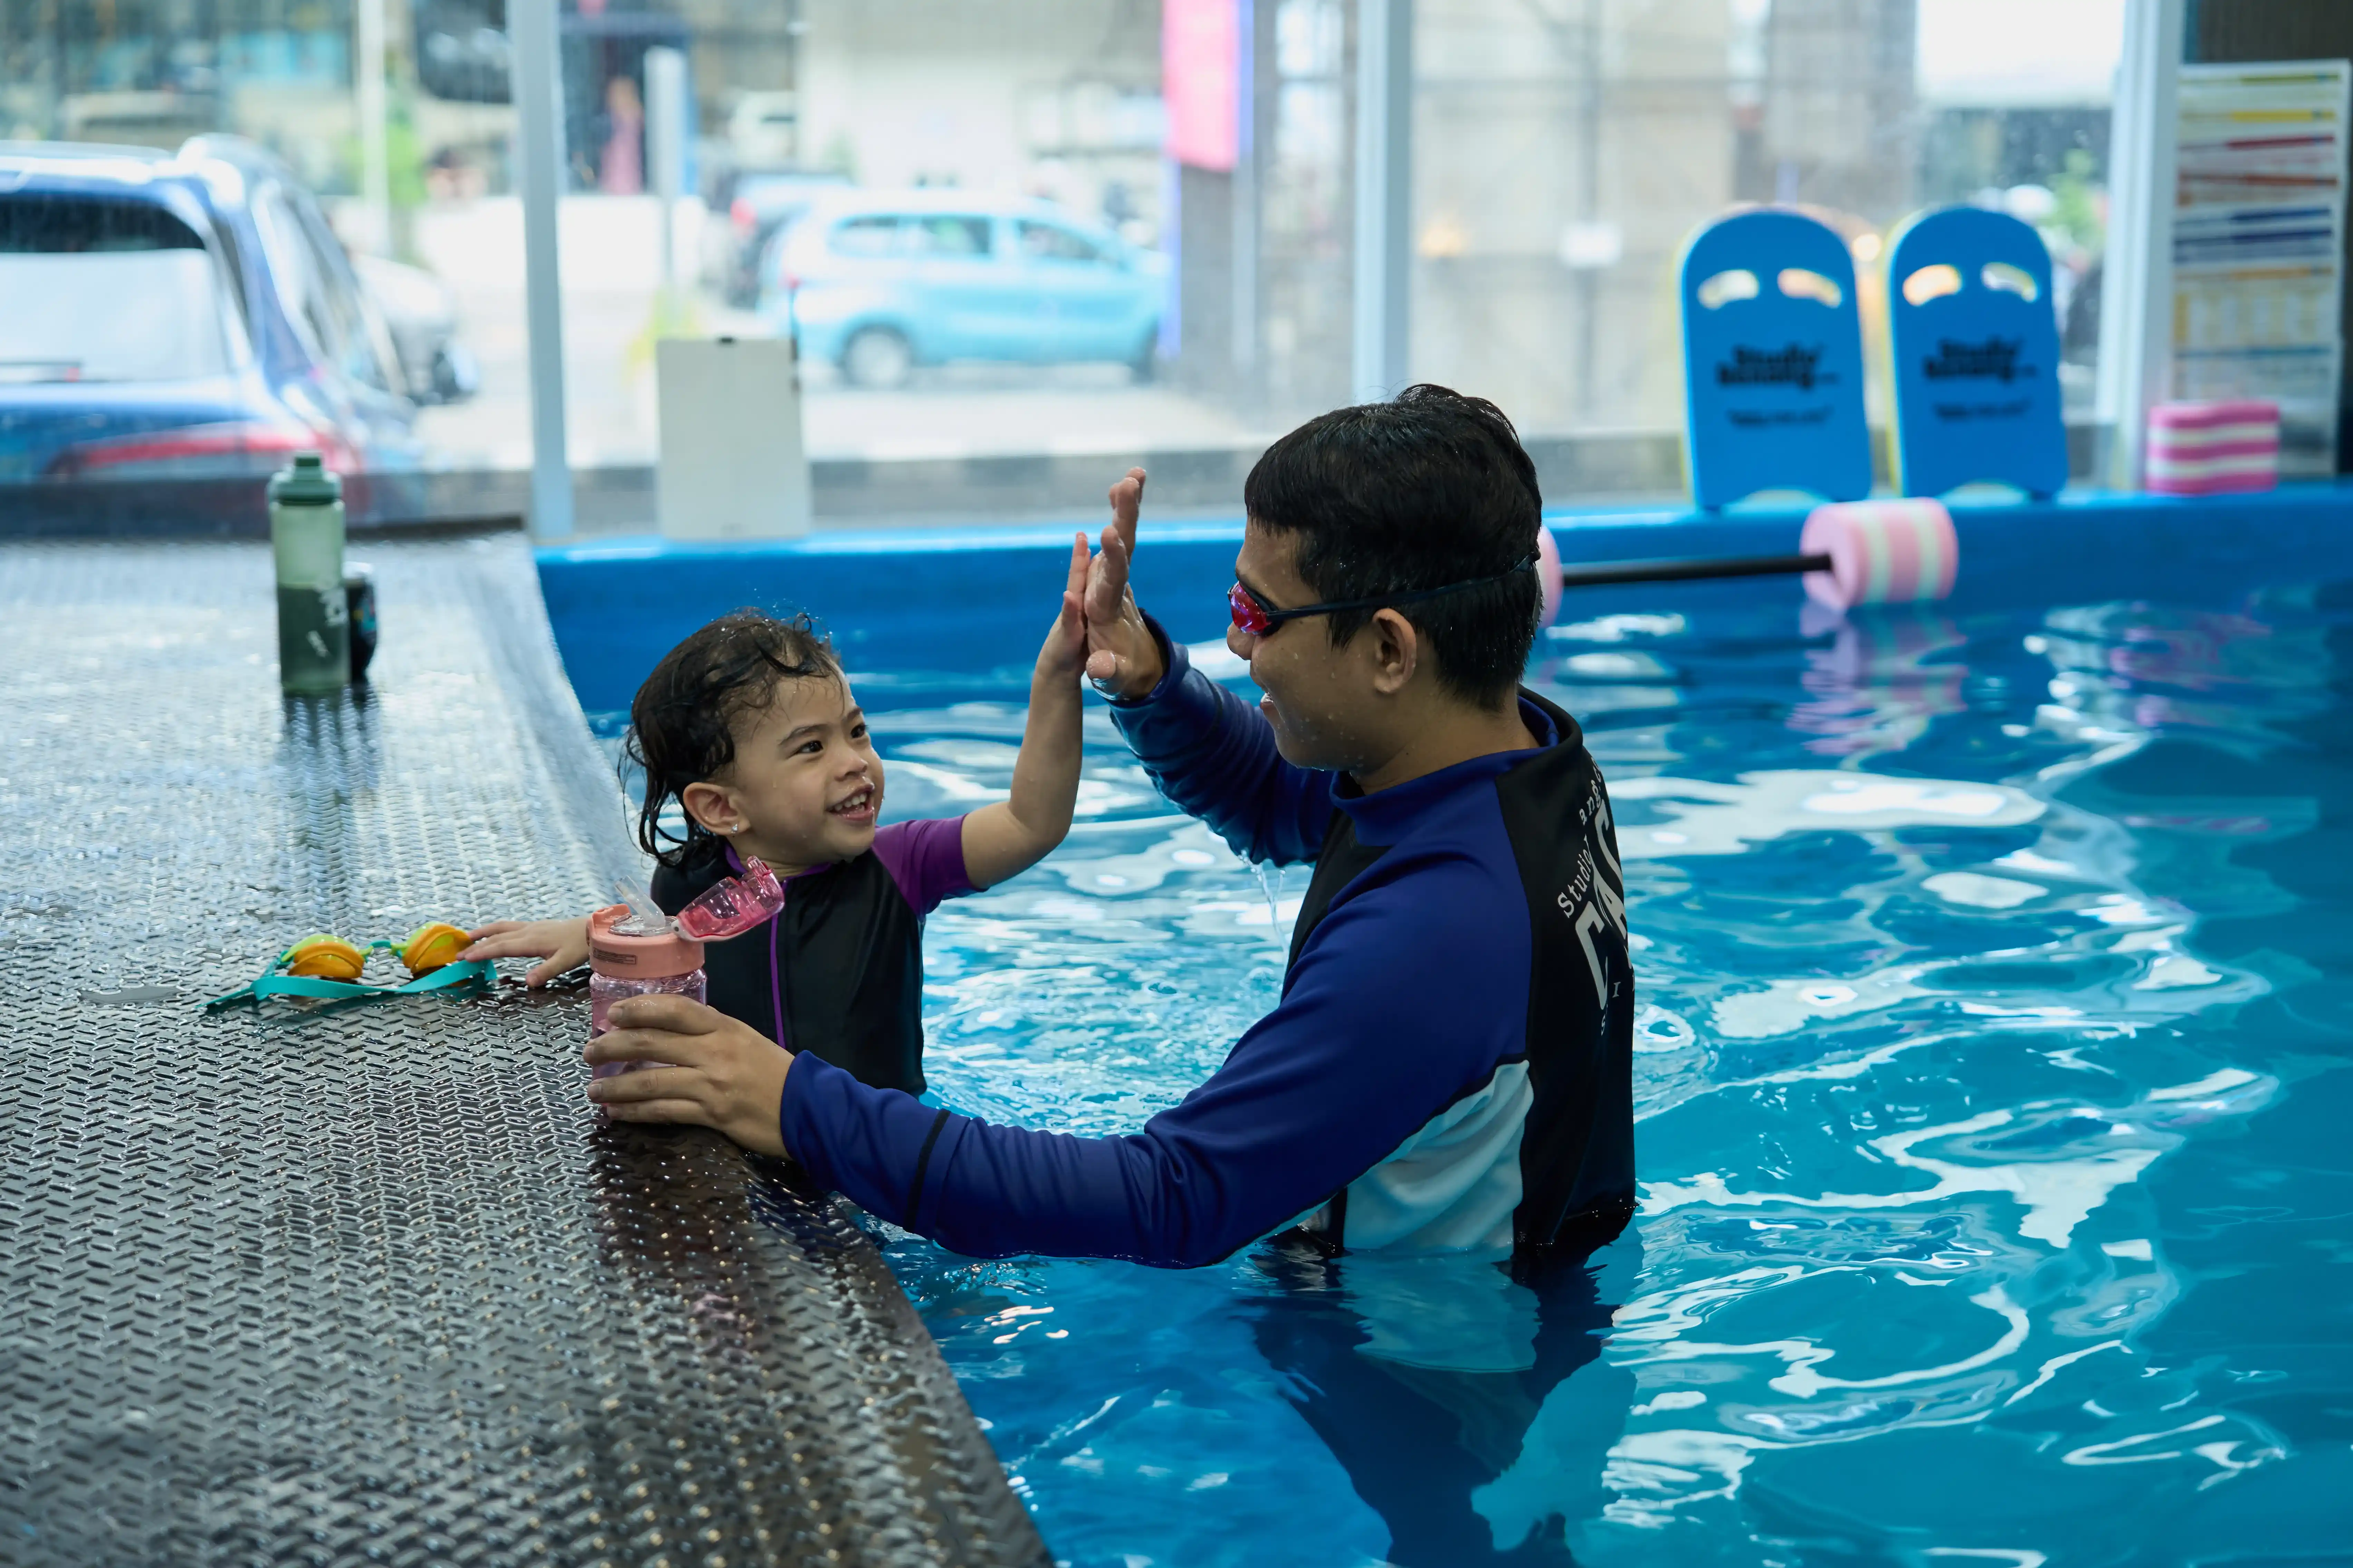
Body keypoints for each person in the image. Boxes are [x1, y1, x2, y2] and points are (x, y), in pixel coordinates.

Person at [586, 385, 1635, 1269]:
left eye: (1258, 614)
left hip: (1422, 1367)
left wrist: (795, 1104)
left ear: (1390, 651)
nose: (1236, 642)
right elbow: (1287, 806)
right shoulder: (1522, 760)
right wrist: (1149, 681)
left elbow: (1170, 1198)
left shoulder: (1435, 935)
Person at [459, 535, 1094, 1095]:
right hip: (742, 1152)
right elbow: (671, 935)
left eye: (857, 730)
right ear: (721, 807)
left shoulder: (898, 866)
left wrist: (1057, 676)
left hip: (874, 1154)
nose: (855, 762)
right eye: (812, 748)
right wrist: (604, 937)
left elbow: (1030, 823)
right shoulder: (686, 883)